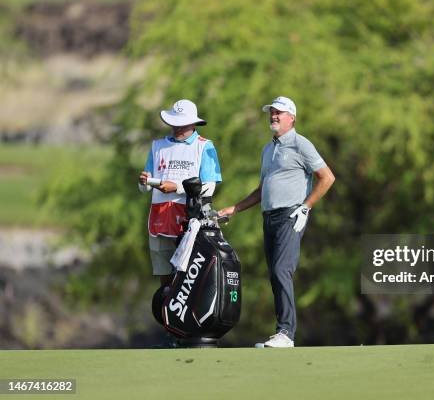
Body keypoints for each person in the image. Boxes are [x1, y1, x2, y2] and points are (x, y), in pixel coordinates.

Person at [219, 96, 335, 348]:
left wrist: (306, 207)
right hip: (269, 216)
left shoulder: (300, 144)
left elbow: (327, 178)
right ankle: (282, 332)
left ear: (291, 118)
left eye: (279, 112)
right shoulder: (268, 149)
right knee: (274, 274)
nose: (273, 115)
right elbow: (264, 189)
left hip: (291, 216)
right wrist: (235, 208)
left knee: (282, 269)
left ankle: (286, 334)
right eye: (272, 112)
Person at [139, 99, 222, 288]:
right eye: (174, 123)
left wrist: (176, 187)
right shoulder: (157, 146)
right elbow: (146, 187)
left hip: (190, 221)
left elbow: (209, 187)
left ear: (193, 123)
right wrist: (144, 182)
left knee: (188, 281)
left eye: (181, 124)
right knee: (165, 282)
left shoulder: (204, 146)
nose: (176, 128)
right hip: (160, 218)